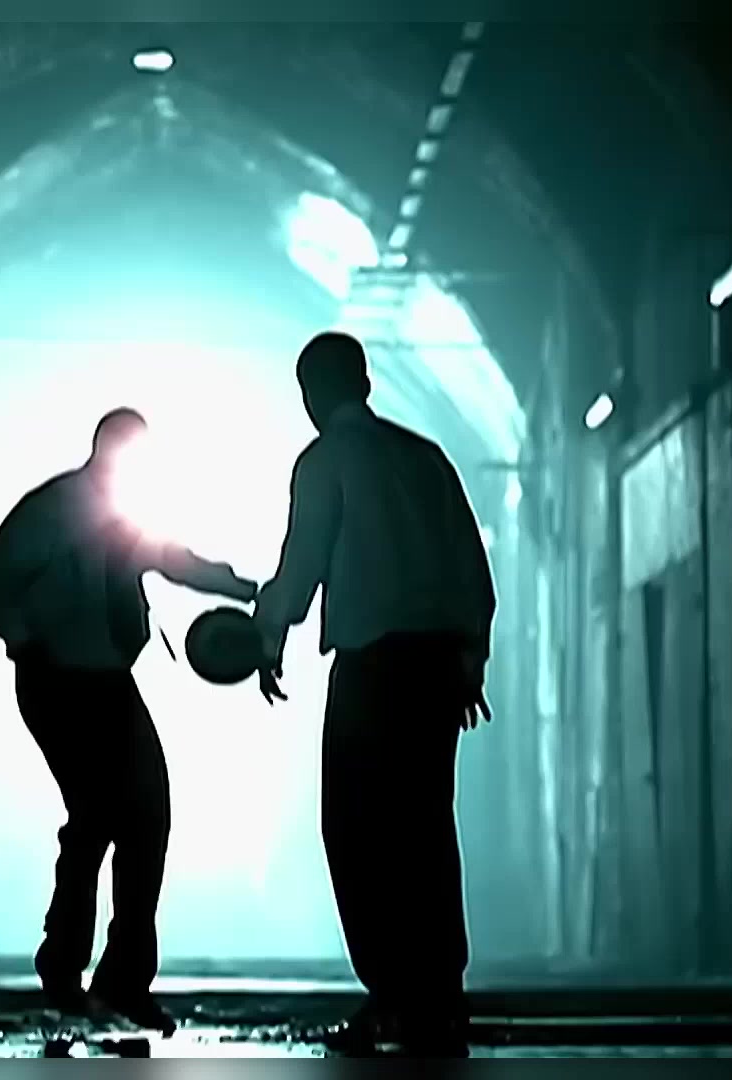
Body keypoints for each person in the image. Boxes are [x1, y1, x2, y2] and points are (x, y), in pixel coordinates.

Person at [0, 407, 259, 1035]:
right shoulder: (52, 510)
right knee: (99, 814)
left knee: (144, 814)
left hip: (105, 681)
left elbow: (175, 559)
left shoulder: (124, 518)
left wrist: (245, 591)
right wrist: (26, 639)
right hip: (57, 680)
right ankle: (69, 967)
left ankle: (119, 977)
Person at [251, 331, 496, 1055]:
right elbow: (471, 571)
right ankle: (440, 994)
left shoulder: (324, 462)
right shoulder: (427, 459)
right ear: (365, 382)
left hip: (370, 667)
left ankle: (391, 993)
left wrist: (268, 637)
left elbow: (303, 565)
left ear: (311, 395)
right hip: (435, 669)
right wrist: (468, 663)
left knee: (356, 828)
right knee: (426, 827)